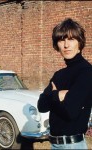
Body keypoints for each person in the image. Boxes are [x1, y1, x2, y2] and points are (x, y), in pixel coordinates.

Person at [37, 18, 92, 149]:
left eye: (71, 39)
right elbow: (41, 105)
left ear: (80, 43)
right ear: (57, 45)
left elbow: (70, 112)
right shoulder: (59, 74)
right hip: (54, 145)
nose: (66, 45)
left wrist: (53, 94)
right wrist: (59, 95)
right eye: (62, 40)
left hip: (72, 145)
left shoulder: (87, 72)